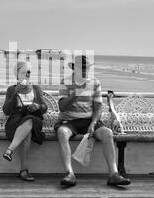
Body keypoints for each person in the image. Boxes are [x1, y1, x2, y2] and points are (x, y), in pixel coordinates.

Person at [55, 55, 131, 187]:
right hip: (69, 121)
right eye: (82, 68)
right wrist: (76, 93)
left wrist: (93, 123)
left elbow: (98, 107)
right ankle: (69, 173)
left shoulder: (95, 82)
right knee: (62, 132)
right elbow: (62, 107)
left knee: (107, 133)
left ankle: (113, 174)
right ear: (74, 68)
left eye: (87, 68)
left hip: (90, 121)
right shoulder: (65, 82)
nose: (85, 70)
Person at [2, 61, 48, 181]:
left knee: (30, 119)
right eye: (24, 72)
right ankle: (24, 170)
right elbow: (6, 111)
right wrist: (14, 94)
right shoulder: (12, 89)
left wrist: (37, 106)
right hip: (16, 120)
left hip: (33, 118)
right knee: (27, 133)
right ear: (17, 74)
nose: (27, 74)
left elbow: (44, 107)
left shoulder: (36, 88)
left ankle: (9, 150)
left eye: (29, 72)